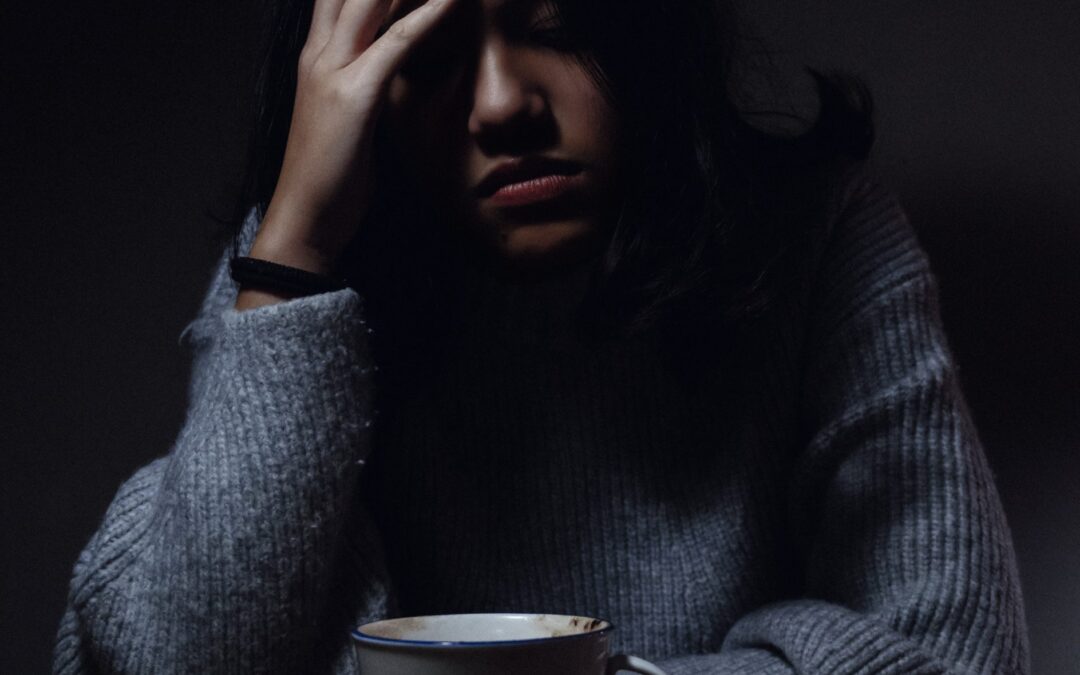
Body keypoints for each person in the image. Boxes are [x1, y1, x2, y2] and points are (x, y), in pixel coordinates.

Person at [54, 0, 1031, 672]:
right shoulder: (302, 276)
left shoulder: (819, 240)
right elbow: (189, 655)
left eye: (557, 29)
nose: (502, 105)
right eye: (427, 59)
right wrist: (294, 245)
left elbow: (955, 653)